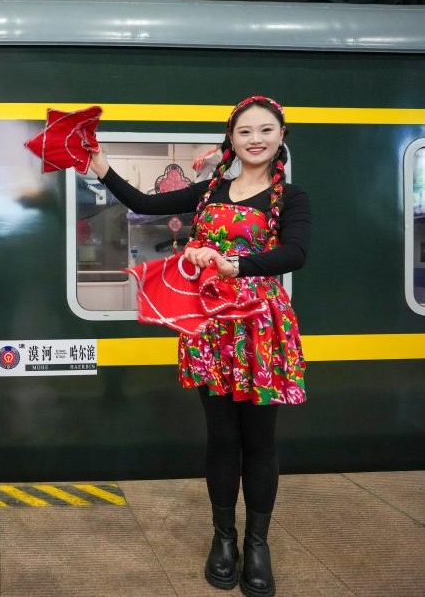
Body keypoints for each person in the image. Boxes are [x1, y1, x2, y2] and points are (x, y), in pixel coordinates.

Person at [88, 96, 310, 597]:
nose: (255, 139)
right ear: (230, 139)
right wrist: (100, 165)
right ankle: (223, 539)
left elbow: (295, 253)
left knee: (259, 440)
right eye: (245, 131)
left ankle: (258, 544)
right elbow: (144, 205)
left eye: (266, 130)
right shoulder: (211, 191)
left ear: (280, 137)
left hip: (259, 332)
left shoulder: (291, 198)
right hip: (210, 328)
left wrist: (236, 266)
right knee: (221, 437)